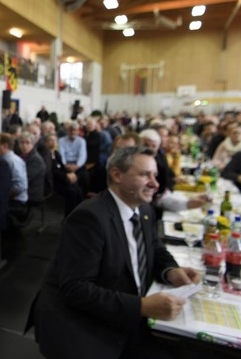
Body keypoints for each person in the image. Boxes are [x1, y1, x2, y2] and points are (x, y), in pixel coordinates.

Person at [32, 146, 201, 359]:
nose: (155, 184)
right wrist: (141, 306)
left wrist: (170, 270)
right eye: (144, 175)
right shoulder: (89, 218)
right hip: (87, 324)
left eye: (155, 175)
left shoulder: (144, 209)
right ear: (116, 175)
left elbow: (155, 247)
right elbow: (76, 289)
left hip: (123, 313)